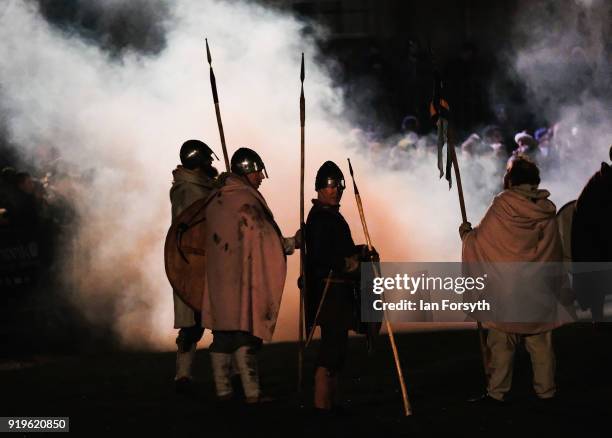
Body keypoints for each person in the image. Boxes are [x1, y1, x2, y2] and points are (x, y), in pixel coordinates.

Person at [460, 156, 570, 403]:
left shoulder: (502, 205)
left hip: (506, 290)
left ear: (510, 179)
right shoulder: (546, 209)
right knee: (541, 344)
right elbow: (554, 251)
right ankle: (546, 391)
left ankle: (497, 392)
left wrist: (466, 236)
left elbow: (483, 242)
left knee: (501, 344)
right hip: (538, 291)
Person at [201, 147, 298, 403]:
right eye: (257, 172)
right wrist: (291, 243)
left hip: (219, 276)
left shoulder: (215, 198)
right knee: (245, 331)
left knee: (222, 333)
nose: (261, 177)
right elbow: (264, 239)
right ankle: (253, 394)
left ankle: (223, 391)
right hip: (241, 276)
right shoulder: (246, 200)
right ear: (246, 171)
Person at [304, 160, 378, 412]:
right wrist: (348, 263)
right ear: (320, 188)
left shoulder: (332, 217)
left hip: (339, 293)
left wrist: (361, 252)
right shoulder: (319, 219)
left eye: (338, 185)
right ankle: (321, 405)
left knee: (338, 349)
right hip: (329, 292)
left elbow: (341, 250)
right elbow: (321, 256)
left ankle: (332, 402)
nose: (335, 190)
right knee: (331, 348)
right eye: (330, 185)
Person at [169, 139, 219, 393]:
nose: (211, 164)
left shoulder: (200, 186)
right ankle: (183, 376)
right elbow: (200, 218)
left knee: (212, 321)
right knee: (194, 325)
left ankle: (222, 376)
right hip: (193, 262)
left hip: (204, 259)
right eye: (208, 160)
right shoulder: (189, 190)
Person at [571, 145, 612, 323]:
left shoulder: (598, 181)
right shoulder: (599, 183)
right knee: (598, 283)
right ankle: (598, 319)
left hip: (601, 245)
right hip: (599, 246)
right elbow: (584, 217)